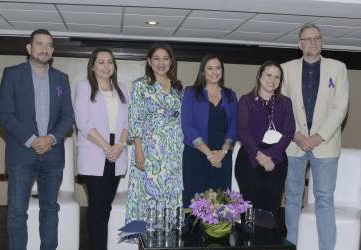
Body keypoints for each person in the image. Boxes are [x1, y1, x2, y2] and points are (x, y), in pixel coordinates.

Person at [0, 29, 74, 250]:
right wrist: (32, 139)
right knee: (17, 211)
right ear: (29, 48)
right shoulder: (12, 74)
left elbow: (68, 117)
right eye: (39, 44)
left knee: (50, 209)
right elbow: (5, 115)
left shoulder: (61, 78)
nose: (44, 49)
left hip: (53, 156)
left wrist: (50, 138)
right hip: (21, 155)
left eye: (49, 45)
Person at [281, 24, 349, 250]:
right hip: (294, 144)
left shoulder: (338, 69)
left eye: (316, 38)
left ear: (322, 41)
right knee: (292, 198)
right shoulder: (285, 69)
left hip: (326, 145)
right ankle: (292, 244)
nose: (312, 42)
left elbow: (340, 108)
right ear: (299, 43)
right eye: (307, 39)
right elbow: (280, 109)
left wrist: (318, 136)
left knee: (324, 199)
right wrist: (297, 136)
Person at [74, 48, 129, 250]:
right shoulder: (84, 87)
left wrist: (120, 145)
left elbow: (128, 123)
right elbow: (83, 122)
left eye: (110, 62)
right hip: (95, 152)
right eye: (101, 62)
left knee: (105, 207)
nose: (106, 66)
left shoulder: (123, 88)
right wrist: (107, 146)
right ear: (93, 65)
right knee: (97, 207)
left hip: (117, 152)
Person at [125, 43, 184, 222]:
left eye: (165, 58)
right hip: (150, 151)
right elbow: (135, 119)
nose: (161, 63)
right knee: (148, 199)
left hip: (173, 152)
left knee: (170, 199)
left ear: (171, 61)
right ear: (149, 61)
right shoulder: (141, 85)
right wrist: (139, 151)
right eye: (156, 59)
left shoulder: (178, 87)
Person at [235, 60, 295, 218]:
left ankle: (267, 241)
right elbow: (242, 130)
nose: (272, 80)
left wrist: (272, 156)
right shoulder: (246, 100)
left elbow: (289, 132)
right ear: (259, 77)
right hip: (249, 160)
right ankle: (247, 242)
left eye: (277, 77)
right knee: (249, 211)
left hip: (276, 161)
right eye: (268, 75)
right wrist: (259, 156)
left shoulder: (285, 103)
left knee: (270, 210)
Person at [181, 54, 237, 208]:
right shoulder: (191, 93)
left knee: (219, 202)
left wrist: (222, 152)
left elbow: (234, 126)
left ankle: (218, 232)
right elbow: (187, 125)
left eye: (218, 68)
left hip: (222, 156)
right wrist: (210, 154)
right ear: (203, 72)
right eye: (210, 68)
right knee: (195, 202)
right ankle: (192, 232)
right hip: (197, 155)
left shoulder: (230, 95)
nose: (215, 72)